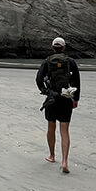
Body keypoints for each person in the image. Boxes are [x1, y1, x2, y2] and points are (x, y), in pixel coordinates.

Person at [35, 36, 80, 174]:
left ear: (52, 47)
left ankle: (52, 156)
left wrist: (45, 91)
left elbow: (38, 79)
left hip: (52, 98)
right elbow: (77, 82)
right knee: (64, 130)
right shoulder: (70, 62)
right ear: (64, 48)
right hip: (66, 97)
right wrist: (75, 98)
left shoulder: (47, 61)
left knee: (51, 126)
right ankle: (65, 161)